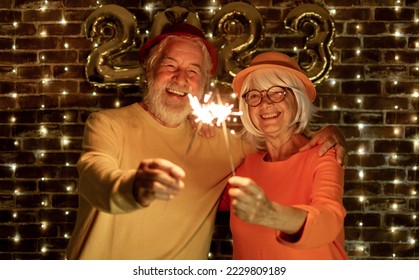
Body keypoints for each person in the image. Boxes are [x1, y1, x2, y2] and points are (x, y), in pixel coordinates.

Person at [66, 22, 346, 260]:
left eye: (193, 71)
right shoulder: (107, 124)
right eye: (170, 65)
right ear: (150, 71)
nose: (181, 79)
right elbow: (95, 178)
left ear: (203, 85)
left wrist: (330, 132)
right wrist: (132, 187)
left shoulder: (231, 148)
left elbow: (281, 140)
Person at [220, 51, 349, 259]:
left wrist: (271, 215)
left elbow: (329, 221)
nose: (265, 103)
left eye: (277, 92)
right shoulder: (245, 166)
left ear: (297, 99)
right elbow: (202, 200)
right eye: (254, 95)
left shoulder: (324, 155)